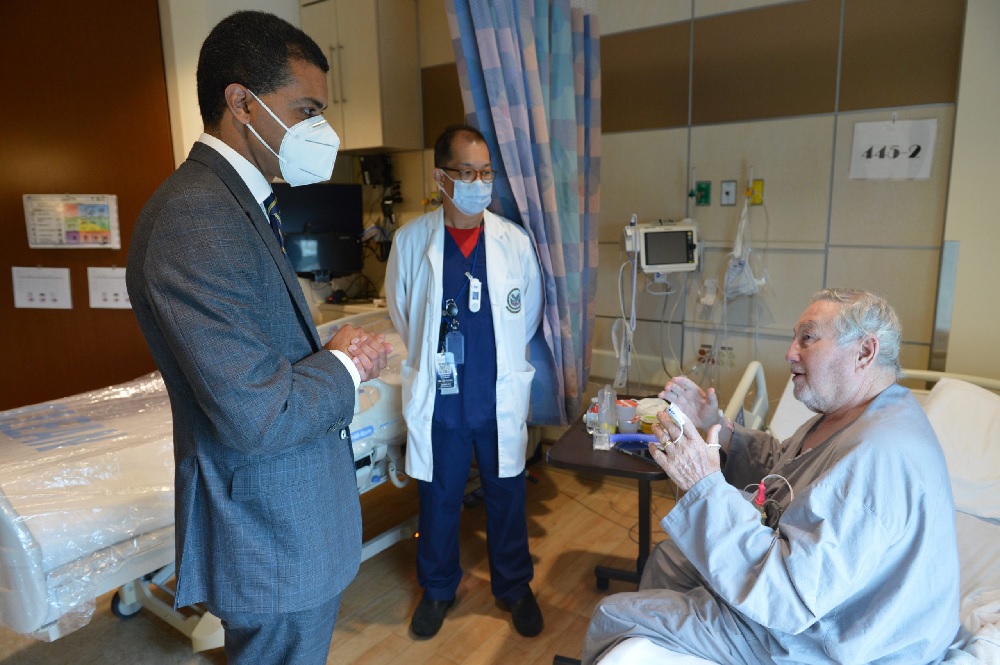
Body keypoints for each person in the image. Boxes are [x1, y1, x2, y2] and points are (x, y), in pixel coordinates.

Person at [126, 11, 391, 664]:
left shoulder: (240, 203)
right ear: (240, 103)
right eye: (305, 110)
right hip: (269, 535)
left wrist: (328, 355)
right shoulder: (196, 218)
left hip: (291, 519)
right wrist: (347, 366)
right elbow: (258, 413)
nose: (320, 132)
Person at [582, 289, 961, 664]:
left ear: (864, 352)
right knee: (670, 558)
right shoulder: (857, 413)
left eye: (807, 338)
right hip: (811, 599)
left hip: (825, 642)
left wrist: (704, 486)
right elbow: (790, 470)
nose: (790, 352)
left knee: (614, 614)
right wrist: (718, 428)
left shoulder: (878, 458)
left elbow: (788, 596)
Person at [385, 124, 545, 639]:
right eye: (467, 173)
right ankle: (437, 589)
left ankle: (514, 587)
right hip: (442, 398)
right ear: (441, 177)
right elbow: (402, 312)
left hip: (497, 394)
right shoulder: (412, 241)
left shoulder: (512, 242)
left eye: (485, 173)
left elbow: (530, 314)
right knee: (439, 497)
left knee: (507, 495)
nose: (479, 183)